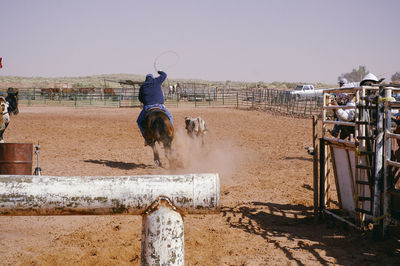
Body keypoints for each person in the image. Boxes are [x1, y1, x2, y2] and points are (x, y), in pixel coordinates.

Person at [137, 70, 173, 145]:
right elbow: (164, 75)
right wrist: (159, 71)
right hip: (159, 106)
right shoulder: (157, 81)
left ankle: (147, 138)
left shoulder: (143, 86)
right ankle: (170, 133)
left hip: (148, 107)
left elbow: (140, 98)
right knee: (169, 116)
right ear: (152, 78)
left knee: (139, 121)